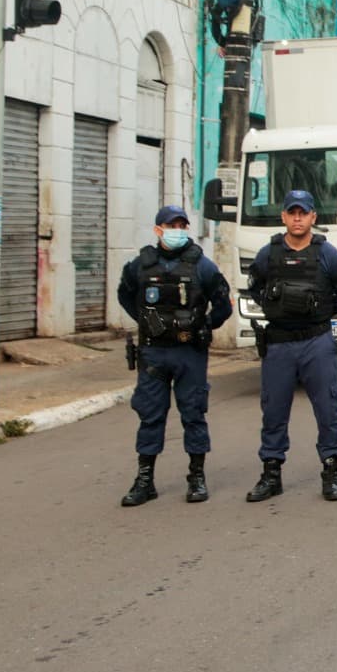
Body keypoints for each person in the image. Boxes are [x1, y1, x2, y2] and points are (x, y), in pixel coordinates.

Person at [243, 190, 337, 502]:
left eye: (303, 213)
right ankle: (271, 474)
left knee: (328, 408)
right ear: (283, 217)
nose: (297, 218)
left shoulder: (327, 254)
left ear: (312, 218)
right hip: (279, 343)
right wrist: (277, 309)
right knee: (274, 410)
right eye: (291, 213)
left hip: (315, 341)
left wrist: (320, 312)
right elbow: (255, 286)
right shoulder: (269, 254)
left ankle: (331, 472)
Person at [116, 205, 233, 507]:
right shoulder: (140, 266)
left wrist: (205, 326)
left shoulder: (202, 266)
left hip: (189, 352)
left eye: (182, 225)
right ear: (158, 230)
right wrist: (145, 321)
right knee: (150, 415)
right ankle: (145, 480)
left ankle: (196, 476)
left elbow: (223, 303)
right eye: (171, 225)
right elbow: (125, 294)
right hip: (154, 352)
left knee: (193, 413)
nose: (177, 230)